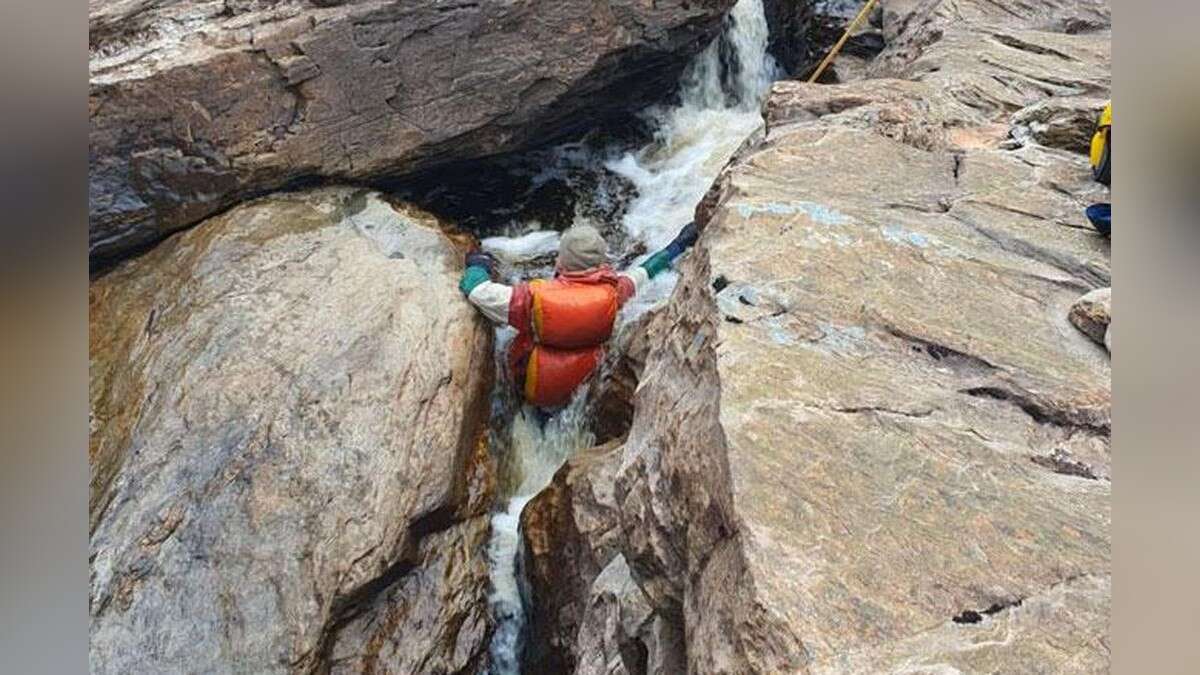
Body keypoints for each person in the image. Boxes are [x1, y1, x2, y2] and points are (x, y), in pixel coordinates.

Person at [460, 222, 699, 408]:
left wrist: (477, 265)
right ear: (601, 262)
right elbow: (645, 272)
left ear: (561, 261)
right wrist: (677, 245)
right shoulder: (613, 293)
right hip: (580, 392)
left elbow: (478, 291)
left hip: (533, 387)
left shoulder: (533, 299)